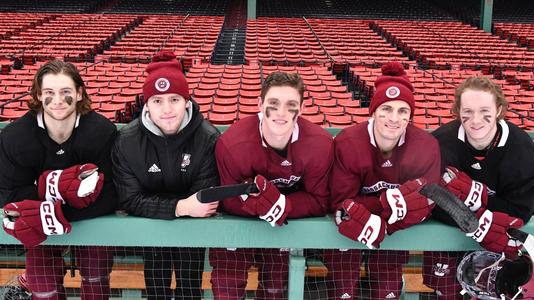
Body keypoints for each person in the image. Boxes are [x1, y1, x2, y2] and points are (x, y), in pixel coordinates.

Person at [209, 71, 334, 299]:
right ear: (260, 104)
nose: (281, 113)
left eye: (291, 105)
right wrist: (259, 204)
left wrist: (280, 204)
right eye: (274, 103)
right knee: (226, 283)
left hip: (285, 223)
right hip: (240, 223)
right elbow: (227, 201)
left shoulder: (319, 144)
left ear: (302, 108)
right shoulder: (233, 144)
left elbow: (319, 200)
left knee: (276, 287)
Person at [0, 60, 117, 299]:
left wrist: (51, 206)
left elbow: (112, 192)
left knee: (96, 277)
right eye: (49, 93)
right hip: (41, 223)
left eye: (66, 92)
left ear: (79, 93)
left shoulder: (100, 132)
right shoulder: (16, 137)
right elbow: (9, 194)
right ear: (38, 95)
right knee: (43, 285)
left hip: (89, 220)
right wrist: (59, 189)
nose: (58, 100)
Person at [111, 51, 220, 300]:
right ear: (146, 104)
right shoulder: (127, 141)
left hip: (192, 231)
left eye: (174, 99)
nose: (167, 109)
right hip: (152, 228)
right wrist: (181, 207)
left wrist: (187, 208)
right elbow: (129, 199)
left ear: (187, 101)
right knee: (156, 290)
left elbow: (204, 201)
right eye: (157, 101)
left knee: (189, 291)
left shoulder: (208, 138)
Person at [327, 62, 440, 299]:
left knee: (387, 282)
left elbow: (427, 202)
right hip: (352, 228)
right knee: (343, 280)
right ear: (374, 111)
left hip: (397, 230)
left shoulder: (425, 146)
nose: (394, 118)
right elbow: (342, 201)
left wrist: (380, 210)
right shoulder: (349, 142)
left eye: (402, 111)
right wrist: (394, 202)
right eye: (386, 109)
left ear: (410, 115)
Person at [423, 76, 534, 299]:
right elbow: (428, 197)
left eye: (484, 110)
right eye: (468, 111)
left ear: (499, 109)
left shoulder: (521, 148)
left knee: (495, 289)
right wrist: (469, 216)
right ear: (457, 111)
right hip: (450, 236)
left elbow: (521, 210)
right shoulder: (441, 142)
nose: (475, 120)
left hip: (499, 239)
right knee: (444, 291)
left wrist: (475, 200)